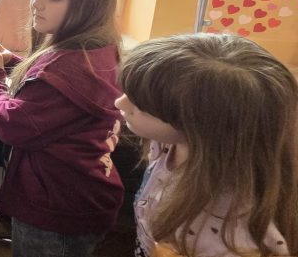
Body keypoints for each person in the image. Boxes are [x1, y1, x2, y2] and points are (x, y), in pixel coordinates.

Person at [0, 0, 124, 256]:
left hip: (56, 209)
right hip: (81, 195)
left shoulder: (68, 68)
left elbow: (10, 122)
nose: (37, 4)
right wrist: (13, 62)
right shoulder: (96, 52)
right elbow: (52, 90)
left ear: (89, 5)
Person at [117, 34, 295, 256]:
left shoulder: (231, 228)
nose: (119, 103)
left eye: (142, 106)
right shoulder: (168, 141)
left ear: (202, 127)